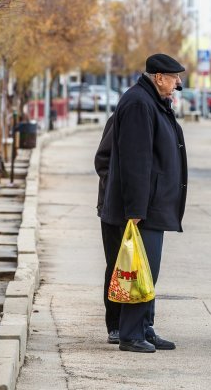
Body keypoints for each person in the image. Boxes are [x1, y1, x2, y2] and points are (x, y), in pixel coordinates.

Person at [101, 53, 188, 353]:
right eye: (175, 76)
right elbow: (136, 161)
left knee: (148, 271)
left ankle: (144, 327)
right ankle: (131, 334)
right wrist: (135, 210)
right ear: (159, 77)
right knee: (137, 270)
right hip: (143, 209)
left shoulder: (152, 101)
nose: (178, 83)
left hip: (153, 205)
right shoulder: (139, 102)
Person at [94, 114, 120, 344]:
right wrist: (117, 188)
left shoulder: (162, 112)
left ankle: (138, 322)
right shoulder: (125, 115)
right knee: (116, 265)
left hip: (143, 208)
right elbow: (103, 160)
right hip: (115, 206)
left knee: (140, 266)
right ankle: (115, 324)